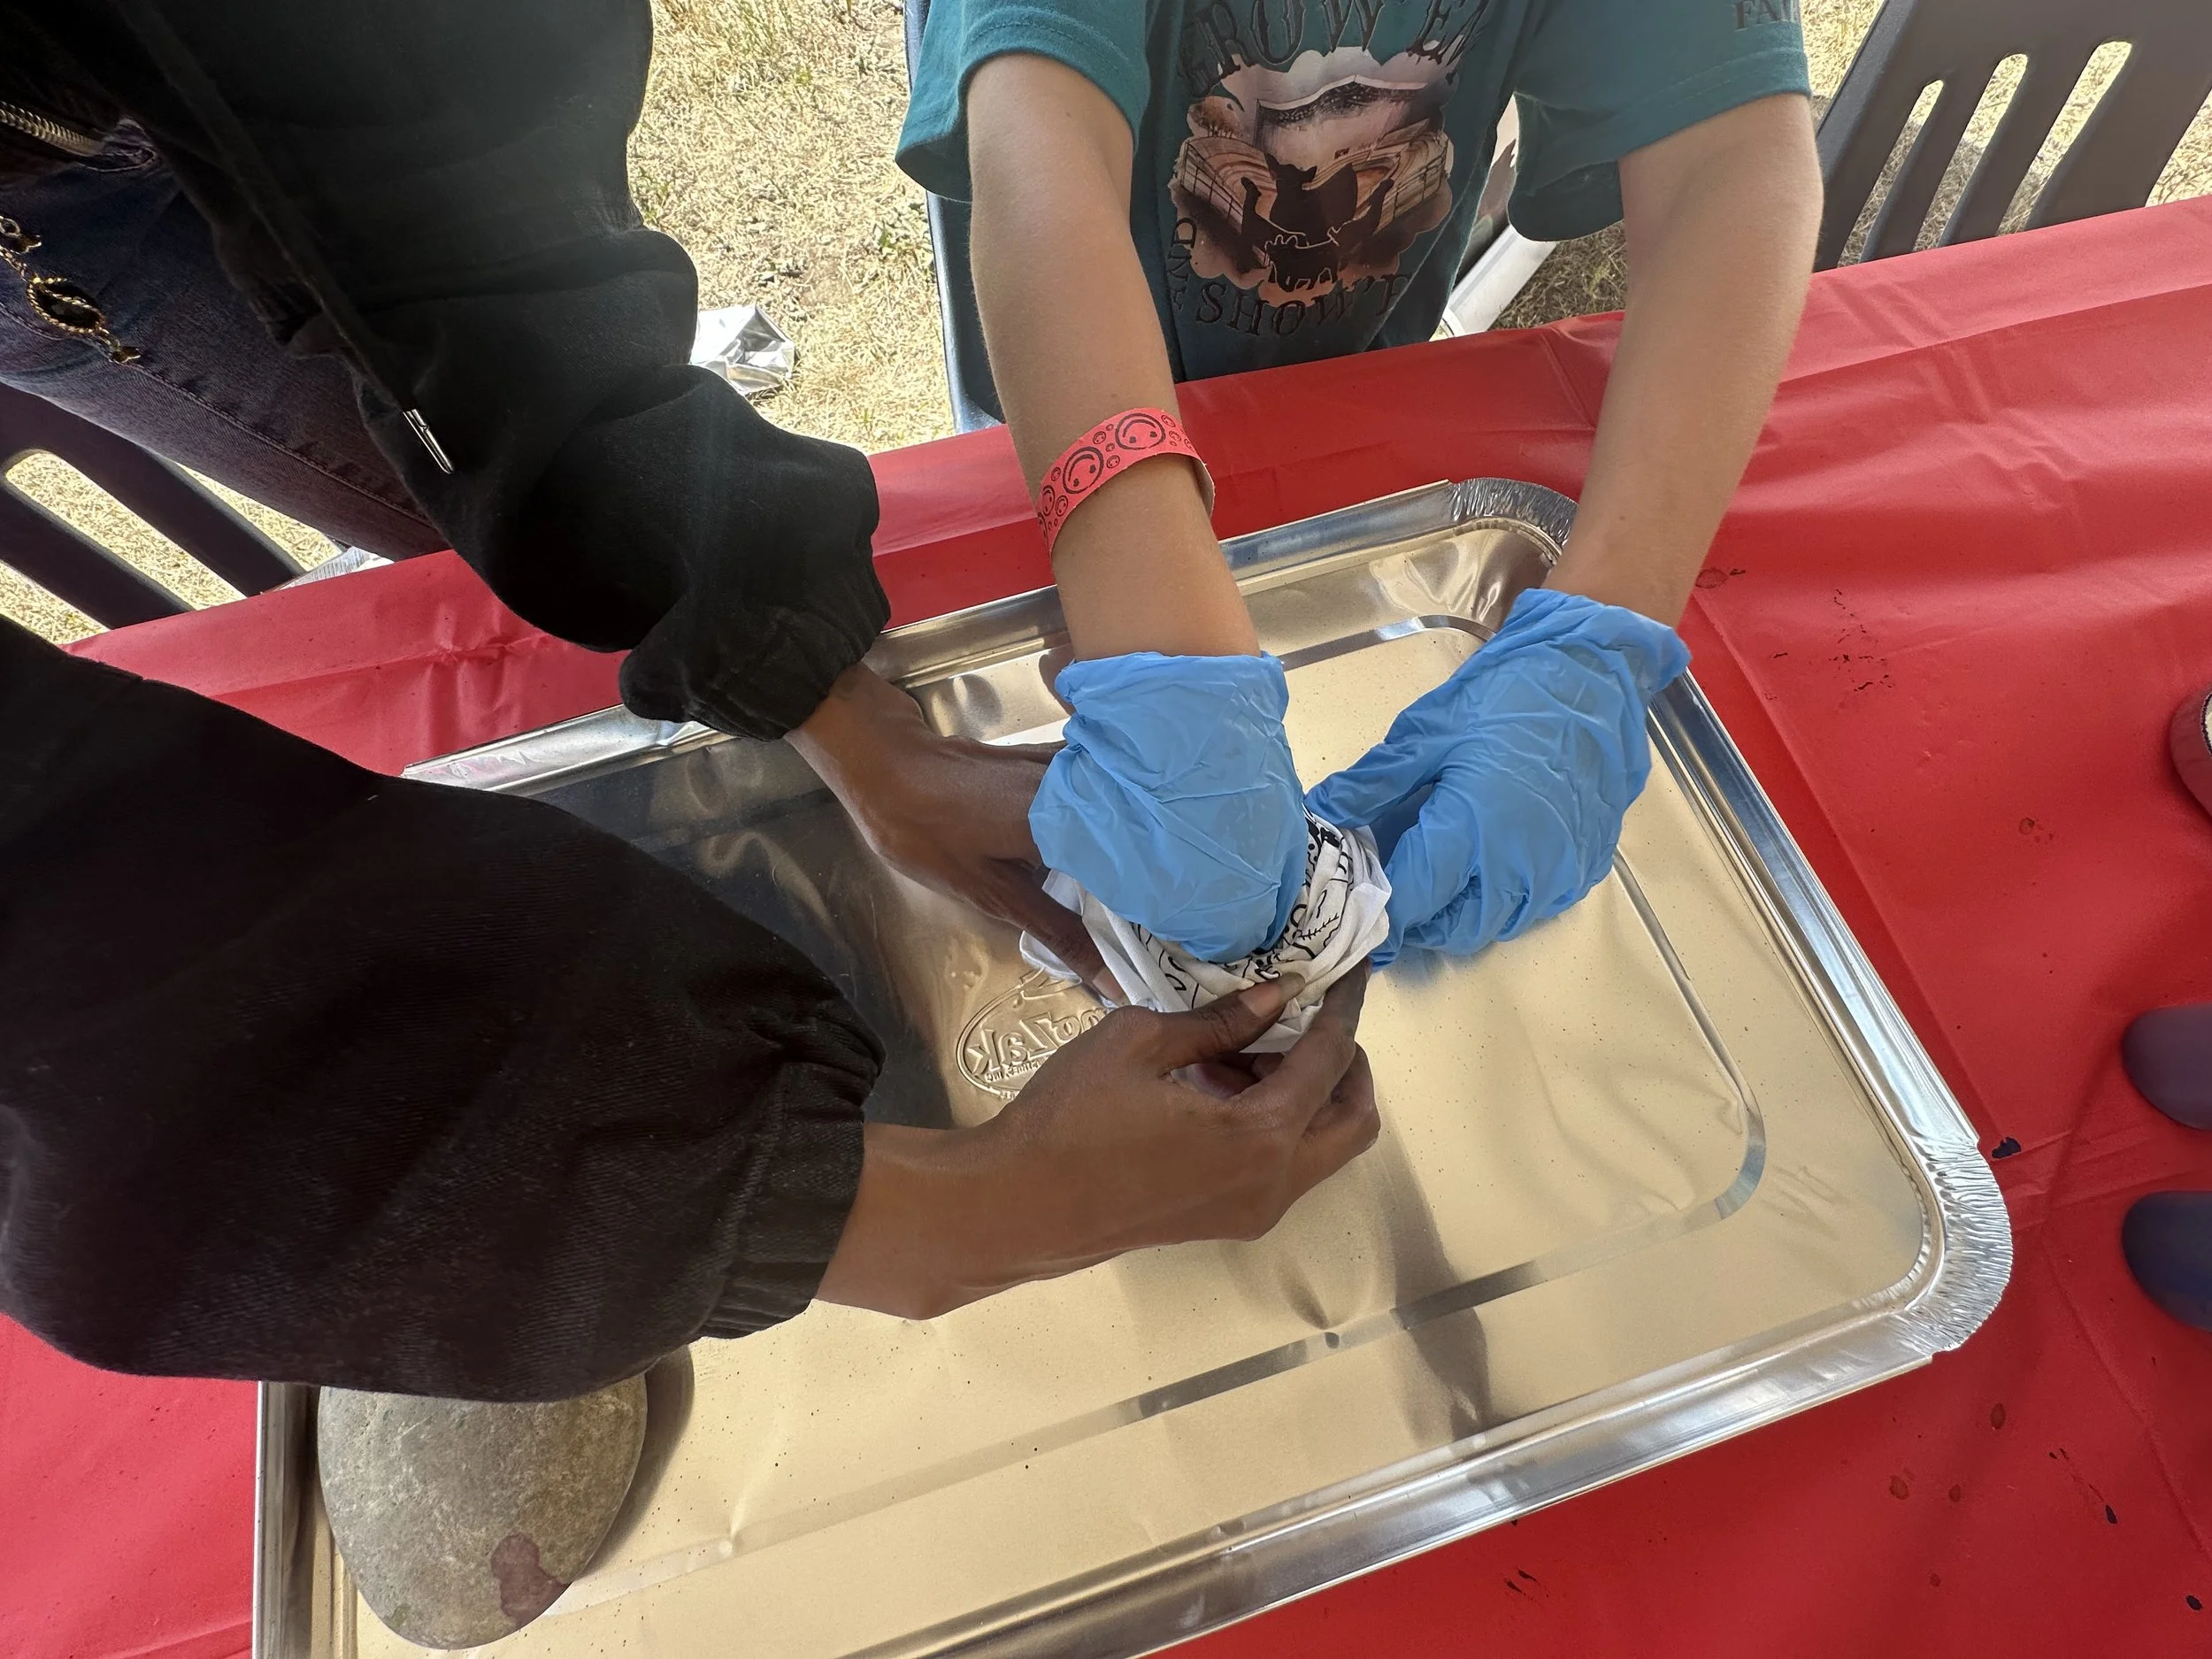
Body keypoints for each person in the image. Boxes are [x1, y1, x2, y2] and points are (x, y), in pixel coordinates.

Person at [0, 0, 1382, 1404]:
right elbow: (79, 975)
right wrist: (897, 1216)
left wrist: (818, 692)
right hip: (49, 207)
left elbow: (447, 206)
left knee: (445, 415)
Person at [899, 0, 1823, 961]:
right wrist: (1161, 648)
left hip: (1350, 383)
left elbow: (1731, 154)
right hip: (1064, 392)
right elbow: (1041, 149)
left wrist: (1602, 631)